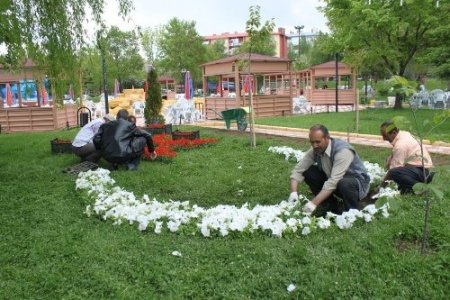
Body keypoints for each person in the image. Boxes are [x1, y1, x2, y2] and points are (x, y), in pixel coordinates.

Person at [288, 124, 371, 215]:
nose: (314, 145)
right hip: (334, 181)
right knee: (309, 172)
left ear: (327, 138)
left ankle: (352, 211)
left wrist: (313, 203)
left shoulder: (343, 151)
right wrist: (293, 193)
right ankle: (332, 206)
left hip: (356, 184)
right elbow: (298, 170)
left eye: (317, 142)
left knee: (344, 183)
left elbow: (334, 181)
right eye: (312, 142)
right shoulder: (316, 149)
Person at [380, 120, 433, 194]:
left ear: (394, 133)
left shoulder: (401, 145)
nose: (384, 139)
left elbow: (393, 171)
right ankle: (406, 189)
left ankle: (421, 190)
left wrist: (380, 188)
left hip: (422, 173)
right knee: (390, 160)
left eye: (385, 136)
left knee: (394, 172)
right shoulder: (404, 134)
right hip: (423, 170)